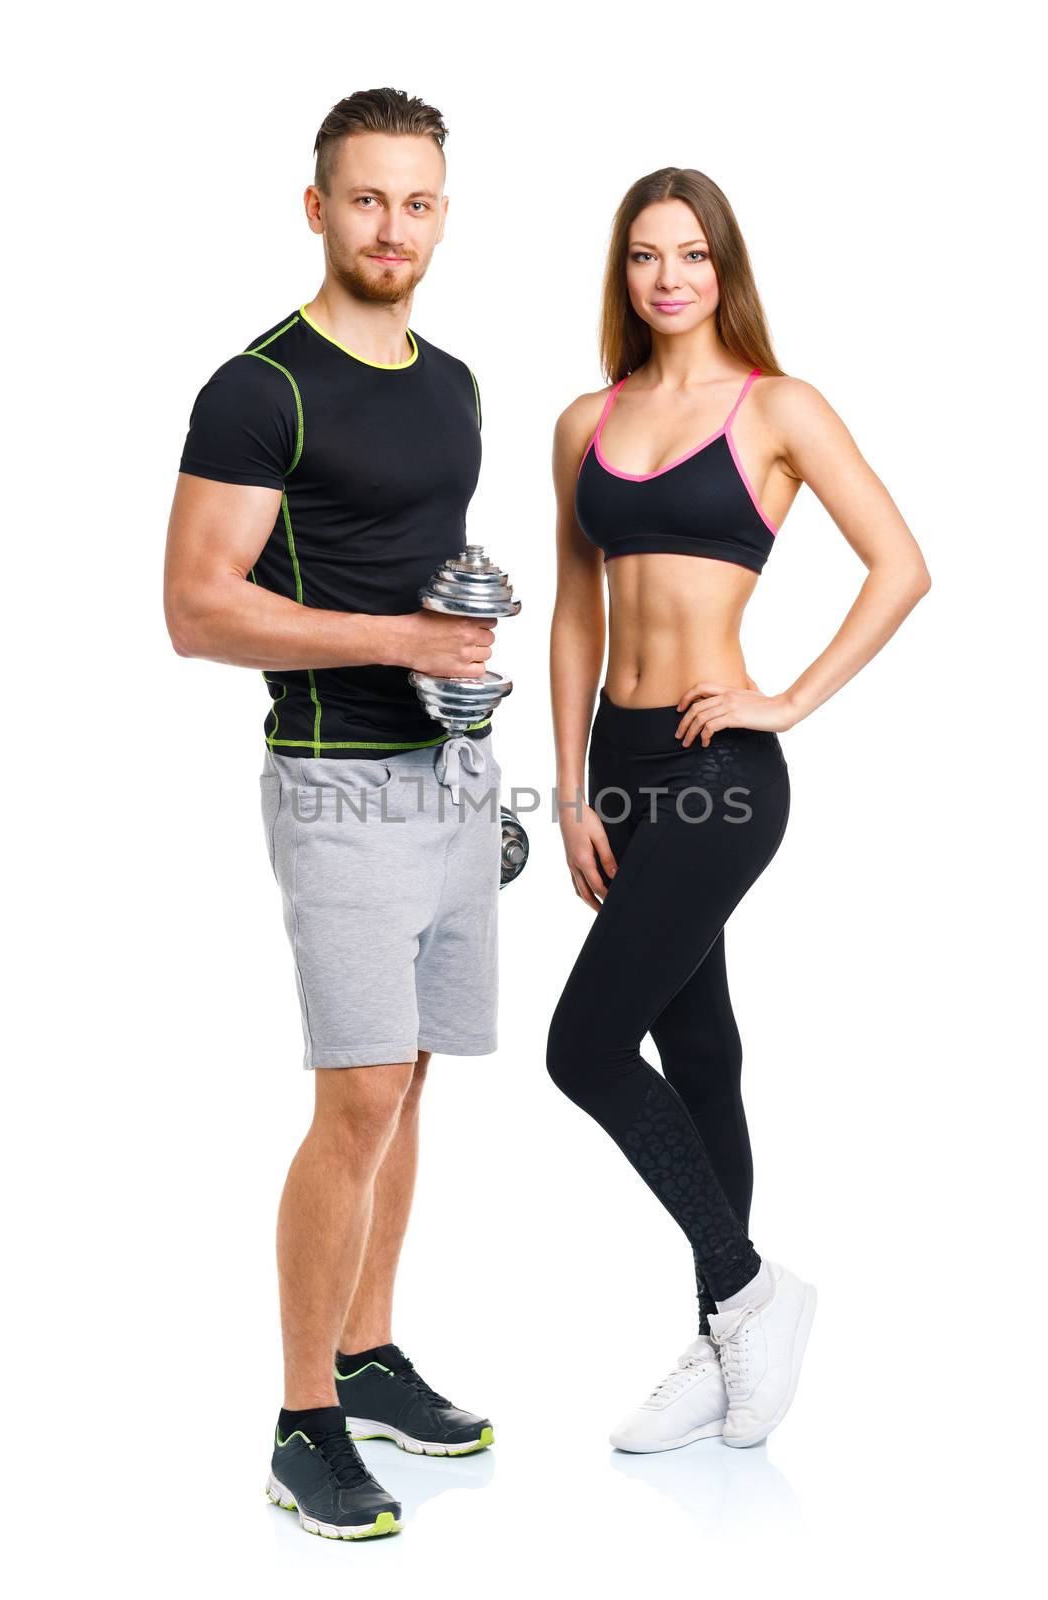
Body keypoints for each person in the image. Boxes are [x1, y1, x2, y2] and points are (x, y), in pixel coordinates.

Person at [545, 167, 931, 1453]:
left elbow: (901, 563)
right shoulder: (582, 421)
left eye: (692, 254)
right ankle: (726, 1343)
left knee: (584, 1046)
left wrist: (792, 699)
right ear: (625, 271)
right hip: (617, 764)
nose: (669, 277)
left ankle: (753, 1290)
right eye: (647, 255)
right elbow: (574, 613)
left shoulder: (777, 408)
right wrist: (567, 787)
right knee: (696, 1047)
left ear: (724, 269)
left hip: (719, 771)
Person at [164, 87, 501, 1542]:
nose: (392, 228)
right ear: (317, 208)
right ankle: (305, 1421)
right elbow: (194, 609)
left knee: (412, 1077)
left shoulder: (454, 382)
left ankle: (366, 1355)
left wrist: (465, 657)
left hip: (453, 776)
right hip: (336, 783)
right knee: (355, 1092)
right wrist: (396, 642)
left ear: (442, 212)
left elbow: (420, 573)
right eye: (366, 200)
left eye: (417, 202)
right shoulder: (260, 386)